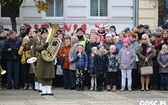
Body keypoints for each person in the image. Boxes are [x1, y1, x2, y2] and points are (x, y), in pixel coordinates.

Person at [35, 28, 55, 95]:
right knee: (42, 75)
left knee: (49, 75)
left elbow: (54, 50)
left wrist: (53, 45)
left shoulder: (51, 41)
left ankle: (49, 90)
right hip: (42, 60)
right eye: (43, 34)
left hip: (49, 59)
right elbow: (37, 48)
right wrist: (43, 46)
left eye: (46, 34)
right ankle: (43, 89)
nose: (45, 35)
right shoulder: (39, 41)